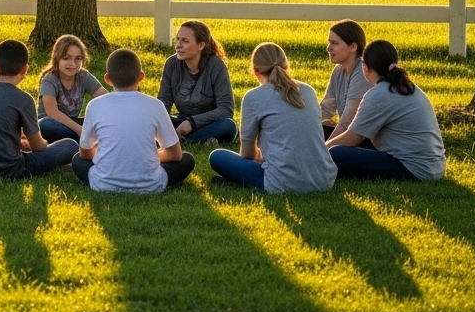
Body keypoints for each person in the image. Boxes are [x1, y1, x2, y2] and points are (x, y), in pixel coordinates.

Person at [209, 42, 337, 194]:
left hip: (282, 183)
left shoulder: (253, 97)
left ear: (256, 72)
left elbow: (247, 154)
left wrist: (262, 157)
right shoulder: (308, 90)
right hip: (324, 179)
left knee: (217, 157)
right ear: (286, 66)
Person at [71, 49, 195, 192]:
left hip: (104, 184)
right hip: (151, 185)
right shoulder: (155, 105)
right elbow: (175, 154)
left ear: (107, 79)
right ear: (141, 77)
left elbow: (84, 153)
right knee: (186, 159)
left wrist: (106, 155)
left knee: (77, 160)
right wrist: (149, 157)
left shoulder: (94, 105)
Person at [327, 40, 446, 181]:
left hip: (414, 169)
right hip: (434, 166)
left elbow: (352, 139)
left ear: (366, 67)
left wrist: (317, 152)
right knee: (327, 133)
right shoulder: (408, 86)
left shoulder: (379, 95)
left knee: (337, 154)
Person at [0, 39, 79, 178]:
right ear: (25, 69)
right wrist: (45, 143)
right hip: (9, 169)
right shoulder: (23, 99)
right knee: (70, 145)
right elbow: (38, 147)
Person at [157, 20, 237, 143]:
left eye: (185, 41)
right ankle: (199, 140)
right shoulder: (171, 64)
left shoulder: (216, 66)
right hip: (180, 121)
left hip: (208, 123)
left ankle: (183, 141)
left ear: (201, 45)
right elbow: (163, 103)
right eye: (177, 39)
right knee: (150, 118)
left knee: (228, 126)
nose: (178, 45)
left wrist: (192, 123)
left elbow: (226, 109)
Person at [37, 34, 107, 142]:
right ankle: (86, 141)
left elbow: (106, 99)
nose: (72, 64)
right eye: (66, 58)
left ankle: (86, 141)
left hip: (73, 123)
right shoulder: (49, 80)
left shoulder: (83, 76)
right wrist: (81, 131)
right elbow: (52, 113)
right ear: (57, 58)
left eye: (78, 59)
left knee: (101, 122)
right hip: (52, 126)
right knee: (44, 124)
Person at [320, 20, 371, 140]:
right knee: (321, 128)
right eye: (329, 43)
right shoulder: (338, 71)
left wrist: (323, 151)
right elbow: (326, 108)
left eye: (335, 43)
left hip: (366, 139)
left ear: (353, 47)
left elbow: (348, 122)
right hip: (350, 133)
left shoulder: (363, 72)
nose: (329, 48)